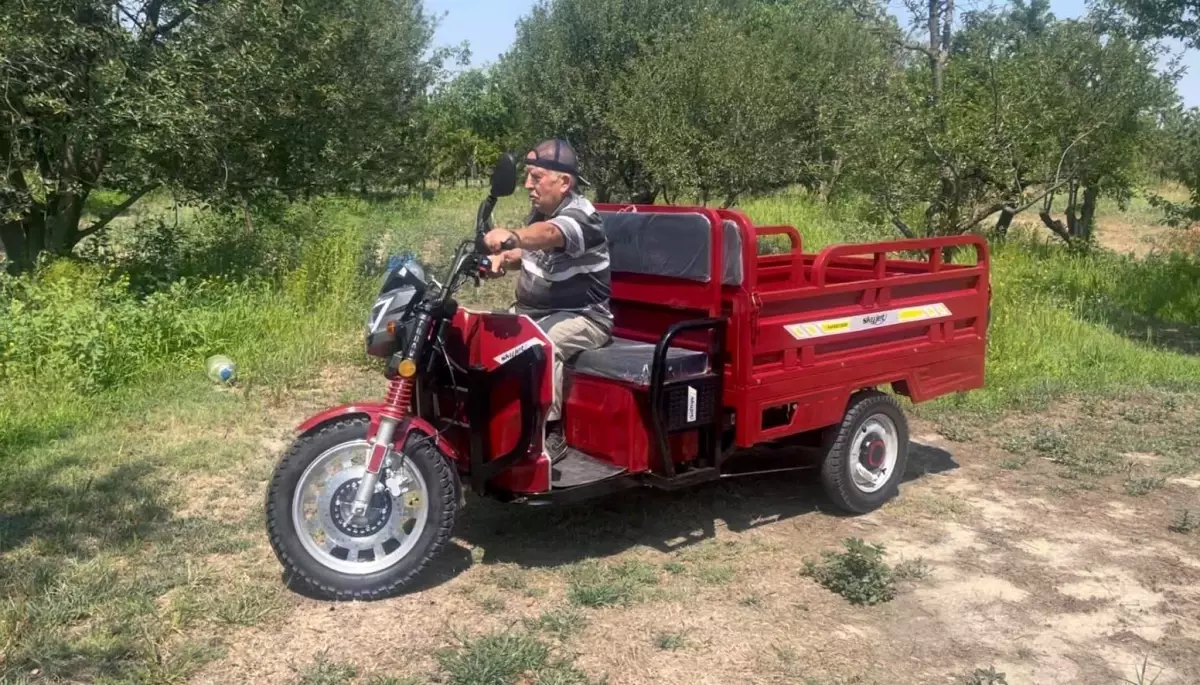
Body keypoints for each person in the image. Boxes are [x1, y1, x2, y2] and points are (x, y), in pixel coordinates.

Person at [483, 139, 612, 461]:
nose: (528, 185)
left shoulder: (581, 216)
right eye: (527, 176)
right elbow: (529, 253)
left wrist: (512, 236)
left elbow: (551, 235)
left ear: (564, 182)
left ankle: (551, 432)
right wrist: (503, 259)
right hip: (534, 312)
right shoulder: (540, 213)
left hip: (585, 317)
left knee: (540, 344)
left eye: (536, 177)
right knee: (483, 335)